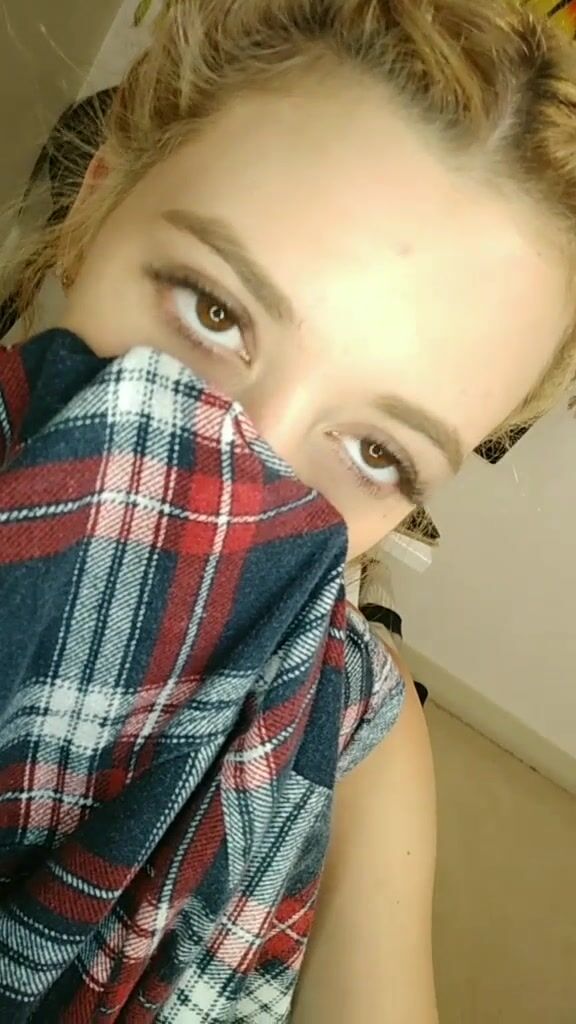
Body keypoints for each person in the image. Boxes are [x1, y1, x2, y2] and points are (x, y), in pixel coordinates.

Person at [0, 1, 575, 1020]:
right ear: (97, 205)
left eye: (377, 453)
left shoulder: (359, 747)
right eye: (214, 310)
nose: (244, 471)